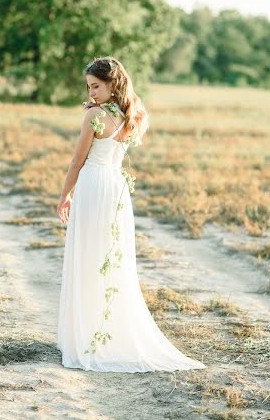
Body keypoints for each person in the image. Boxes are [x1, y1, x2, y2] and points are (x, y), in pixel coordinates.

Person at [56, 56, 206, 373]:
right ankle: (104, 333)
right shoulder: (134, 114)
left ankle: (87, 336)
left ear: (112, 84)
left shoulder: (95, 116)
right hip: (117, 190)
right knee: (111, 260)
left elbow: (77, 161)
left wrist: (64, 195)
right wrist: (99, 108)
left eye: (96, 86)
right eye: (89, 88)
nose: (91, 93)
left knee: (89, 256)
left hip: (95, 187)